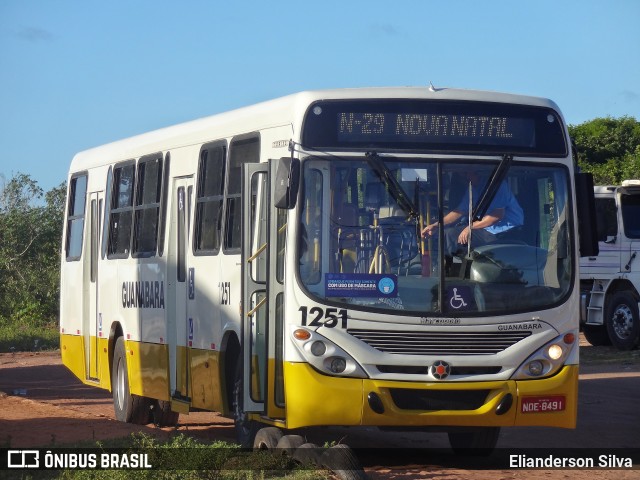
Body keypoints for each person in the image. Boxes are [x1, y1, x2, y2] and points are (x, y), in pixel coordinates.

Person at [421, 172, 523, 257]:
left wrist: (469, 227)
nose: (463, 177)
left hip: (505, 231)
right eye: (462, 175)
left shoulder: (497, 186)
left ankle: (453, 271)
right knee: (449, 234)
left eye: (465, 173)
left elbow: (496, 216)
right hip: (486, 229)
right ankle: (450, 271)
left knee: (452, 236)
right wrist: (436, 225)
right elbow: (459, 211)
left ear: (476, 171)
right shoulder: (473, 188)